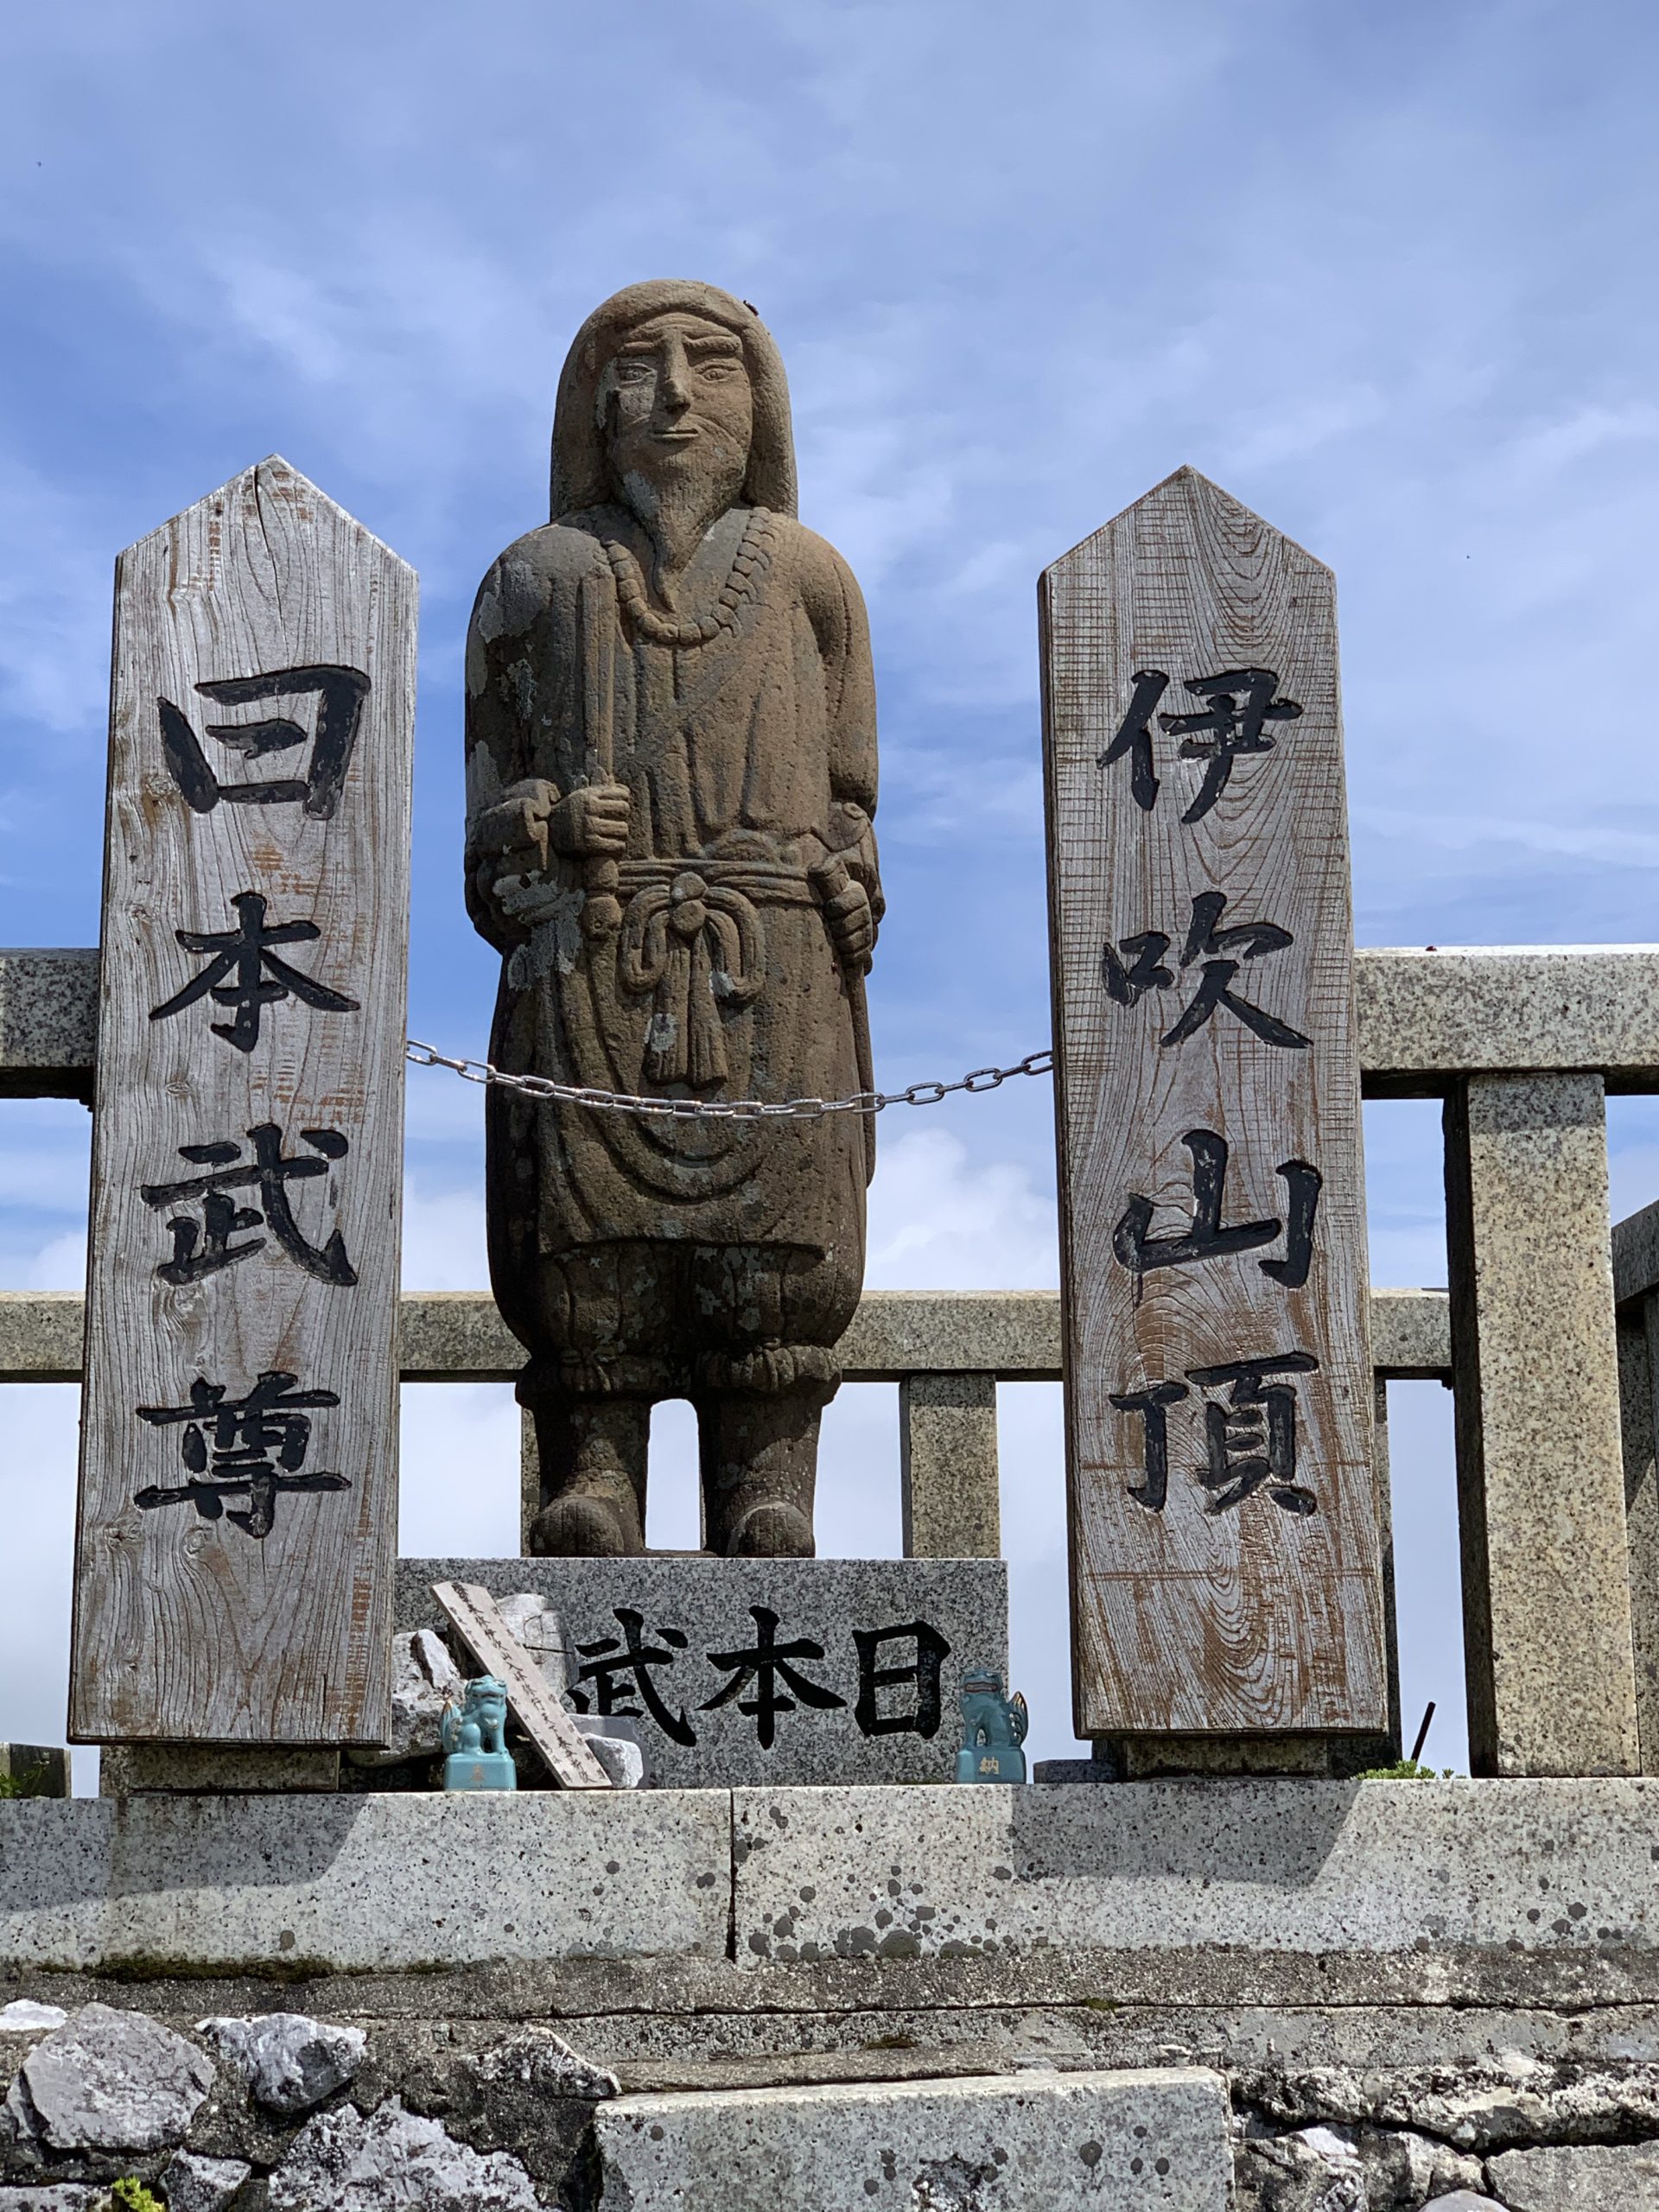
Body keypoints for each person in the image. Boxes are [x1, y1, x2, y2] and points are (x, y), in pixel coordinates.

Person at [465, 280, 881, 1560]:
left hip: (773, 962)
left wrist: (855, 876)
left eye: (714, 364)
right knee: (590, 1255)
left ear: (762, 405)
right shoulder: (534, 582)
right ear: (595, 401)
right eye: (642, 367)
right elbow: (485, 829)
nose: (679, 394)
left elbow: (855, 800)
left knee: (775, 1257)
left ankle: (769, 1481)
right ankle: (595, 1471)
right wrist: (542, 825)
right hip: (596, 956)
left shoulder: (813, 583)